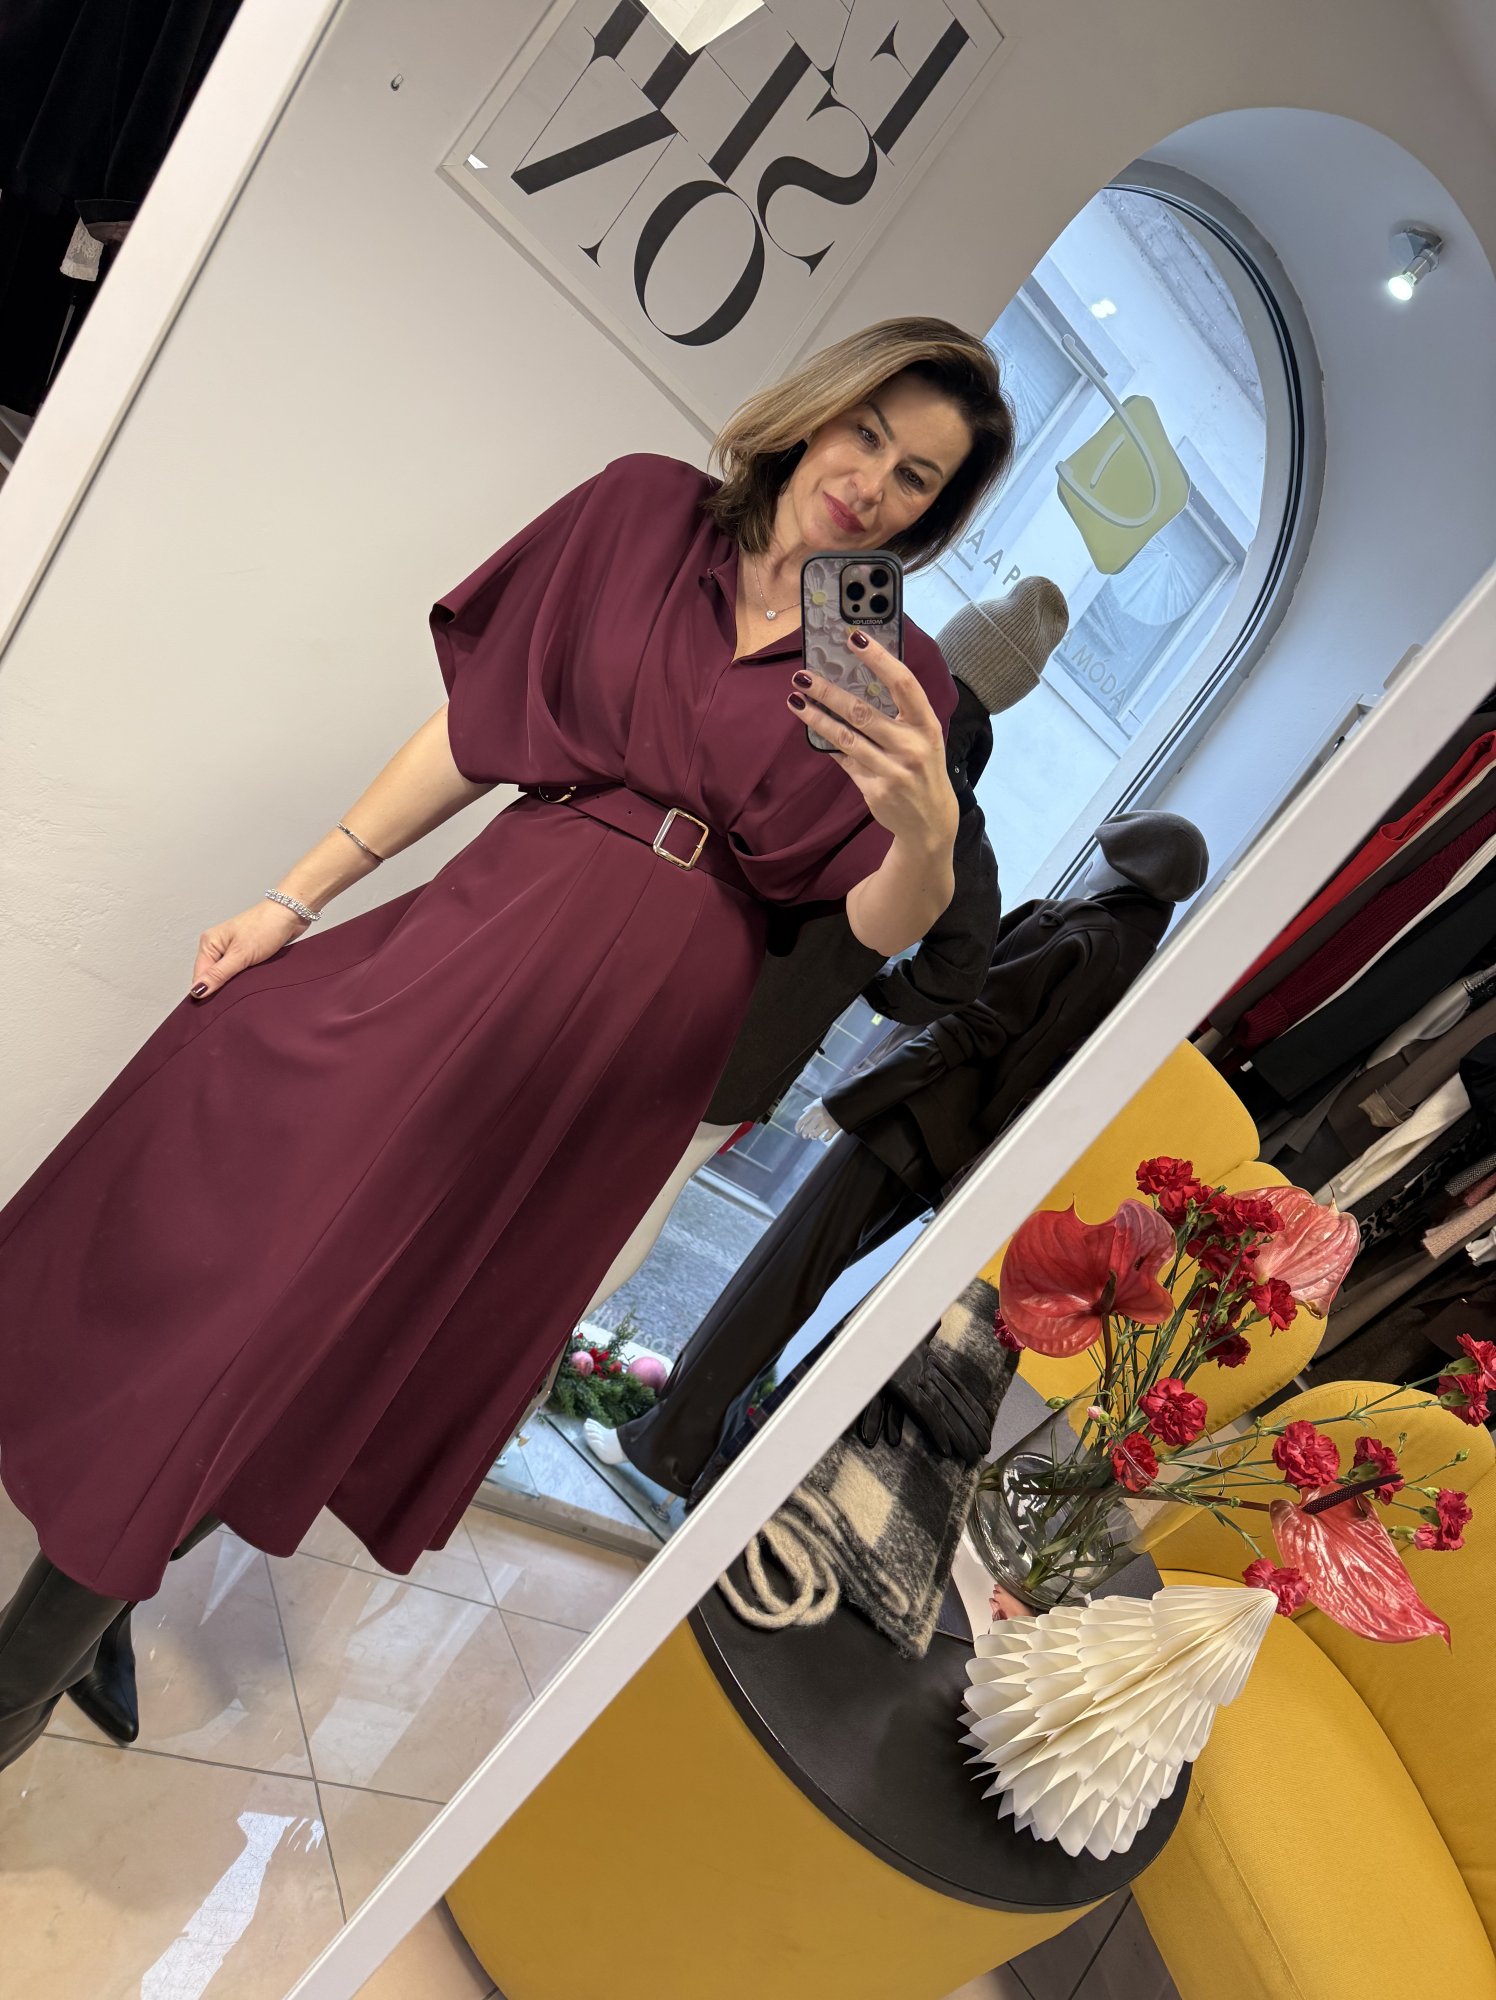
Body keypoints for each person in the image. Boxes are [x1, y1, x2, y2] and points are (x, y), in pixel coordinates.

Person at [0, 316, 1016, 1769]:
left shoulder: (895, 674)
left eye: (916, 478)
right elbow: (470, 734)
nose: (871, 484)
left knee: (362, 1328)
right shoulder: (639, 513)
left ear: (935, 514)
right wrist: (296, 895)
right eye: (867, 432)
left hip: (638, 1046)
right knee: (256, 1260)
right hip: (486, 936)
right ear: (820, 408)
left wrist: (926, 829)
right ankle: (43, 1650)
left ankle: (77, 1612)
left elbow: (871, 923)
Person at [616, 810, 1209, 1500]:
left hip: (907, 1122)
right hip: (939, 1145)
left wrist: (854, 1097)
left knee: (781, 1278)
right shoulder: (1129, 958)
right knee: (796, 1284)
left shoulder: (1083, 935)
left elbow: (971, 1028)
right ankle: (686, 1439)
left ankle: (669, 1449)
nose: (1095, 864)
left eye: (1108, 856)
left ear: (1127, 873)